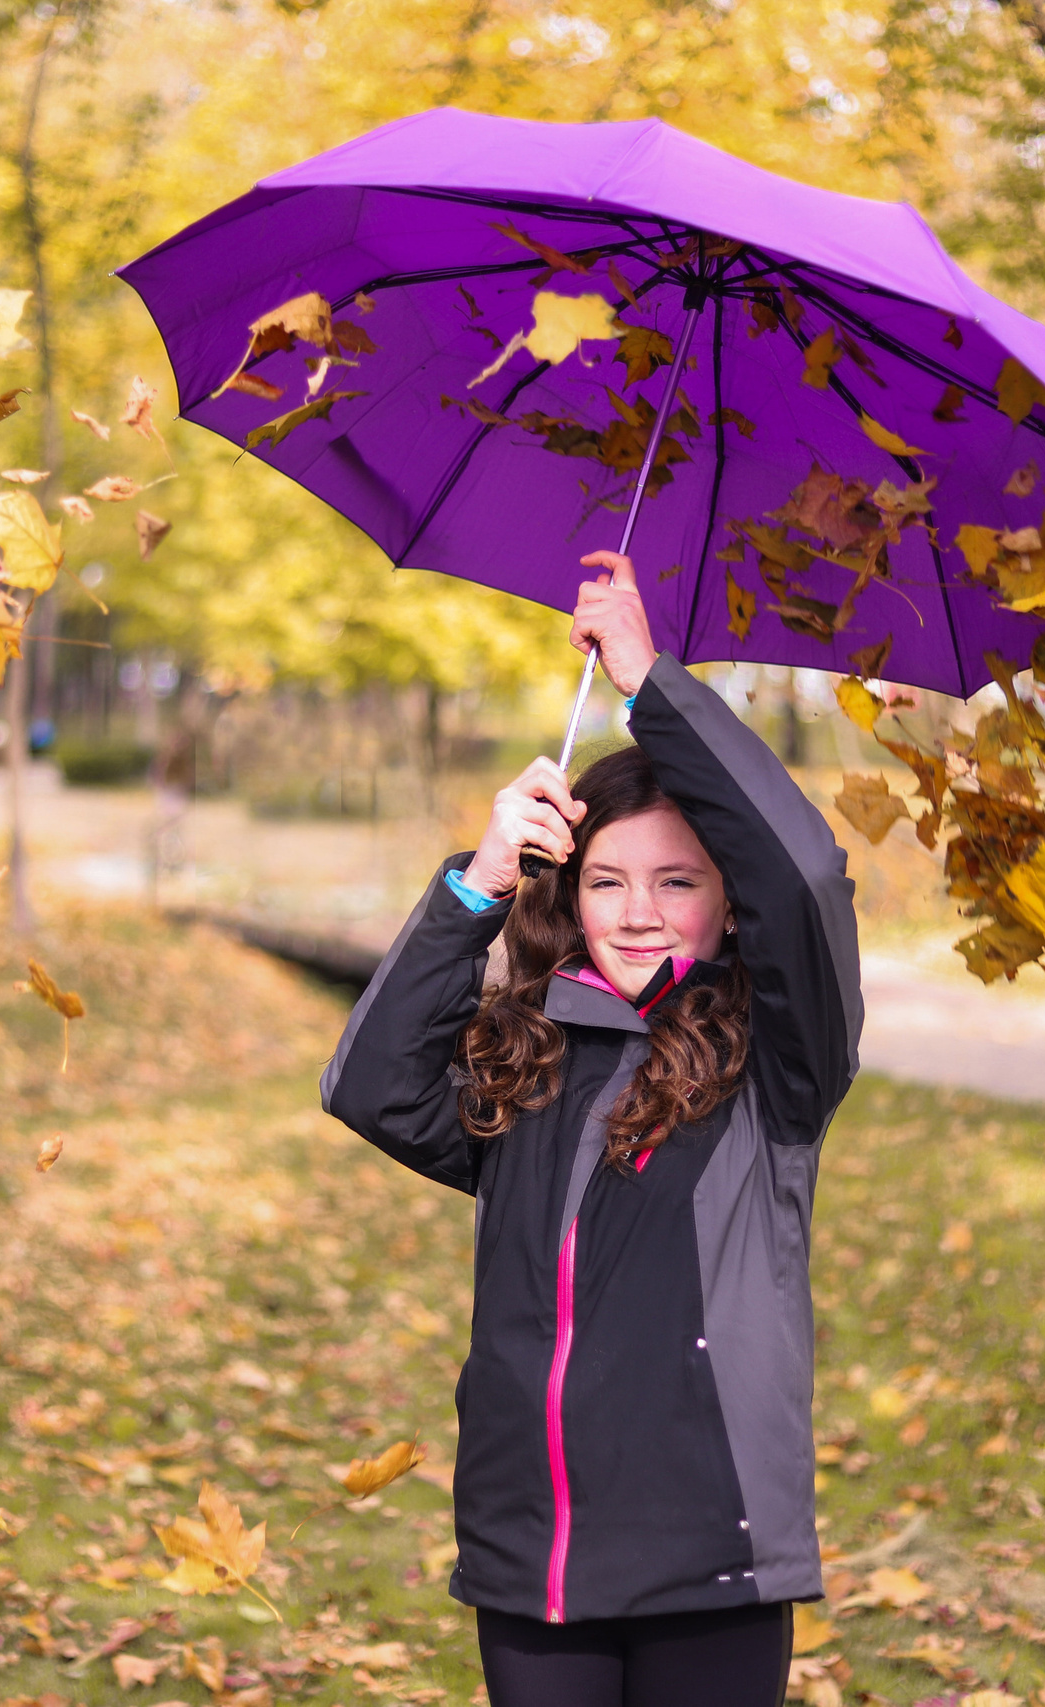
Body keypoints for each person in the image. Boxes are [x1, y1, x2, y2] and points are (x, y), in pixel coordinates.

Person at [322, 552, 863, 1707]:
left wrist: (648, 687)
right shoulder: (530, 1056)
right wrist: (473, 886)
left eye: (677, 884)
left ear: (724, 905)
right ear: (567, 896)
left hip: (707, 1559)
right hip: (535, 1556)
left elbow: (807, 872)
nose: (638, 913)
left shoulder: (779, 1065)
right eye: (608, 882)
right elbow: (369, 1086)